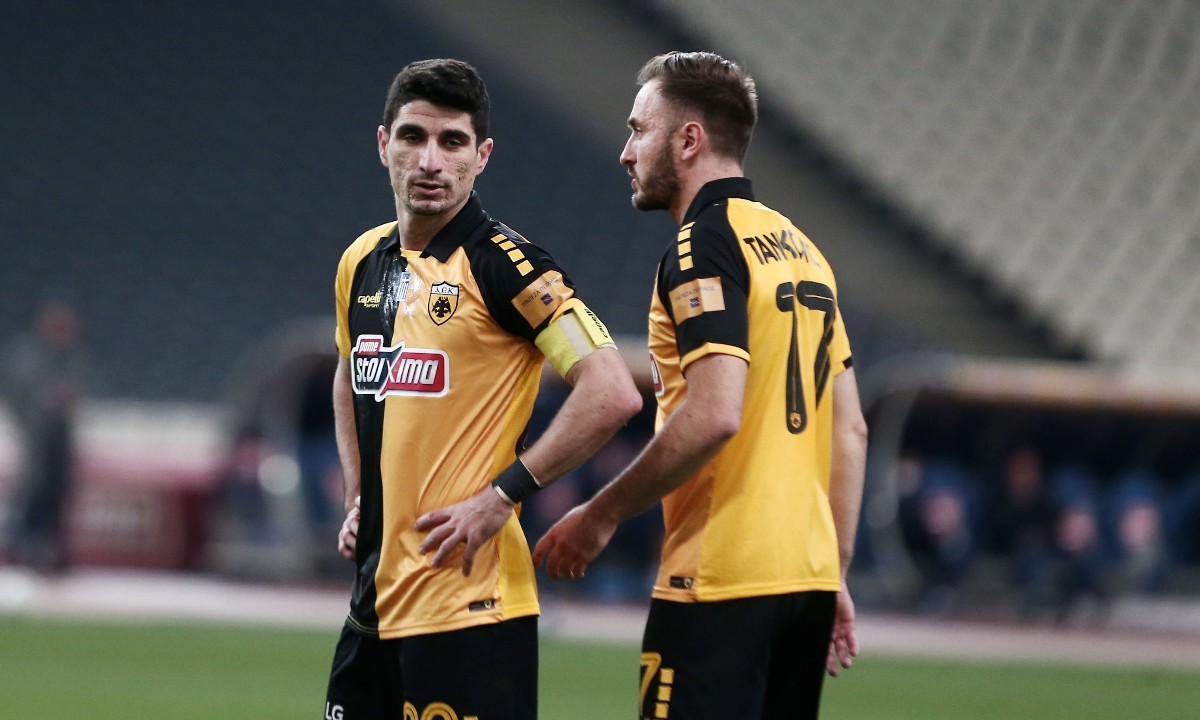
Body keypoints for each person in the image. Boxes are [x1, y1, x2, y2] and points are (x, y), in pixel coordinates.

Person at [533, 51, 869, 720]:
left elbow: (716, 412)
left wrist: (601, 515)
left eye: (639, 130)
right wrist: (832, 571)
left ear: (688, 140)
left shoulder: (703, 247)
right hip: (806, 583)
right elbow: (851, 429)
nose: (627, 152)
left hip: (720, 577)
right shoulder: (804, 250)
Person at [324, 58, 641, 720]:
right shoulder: (361, 261)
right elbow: (349, 371)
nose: (430, 161)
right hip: (371, 612)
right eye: (413, 137)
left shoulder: (508, 266)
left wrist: (503, 496)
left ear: (482, 156)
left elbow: (612, 390)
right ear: (383, 145)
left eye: (453, 142)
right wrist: (358, 496)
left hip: (468, 612)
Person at [2, 301, 88, 573]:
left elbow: (81, 391)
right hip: (36, 439)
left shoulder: (72, 358)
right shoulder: (27, 356)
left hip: (60, 441)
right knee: (34, 491)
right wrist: (43, 404)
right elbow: (18, 394)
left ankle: (50, 547)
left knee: (57, 493)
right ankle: (25, 545)